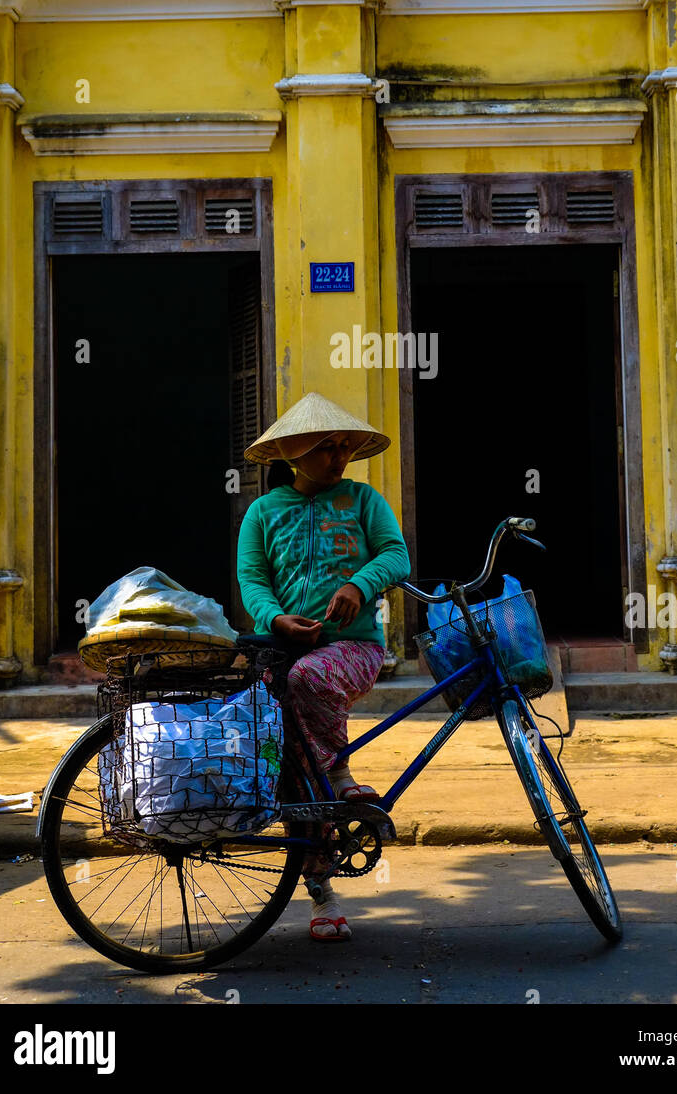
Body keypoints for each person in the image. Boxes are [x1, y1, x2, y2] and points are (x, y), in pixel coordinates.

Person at [237, 391, 411, 942]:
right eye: (325, 448)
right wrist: (275, 619)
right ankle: (322, 895)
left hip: (353, 649)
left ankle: (339, 776)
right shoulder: (262, 513)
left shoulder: (363, 500)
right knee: (288, 764)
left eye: (342, 448)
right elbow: (253, 582)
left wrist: (360, 584)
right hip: (282, 652)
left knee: (309, 679)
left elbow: (396, 555)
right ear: (294, 454)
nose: (338, 458)